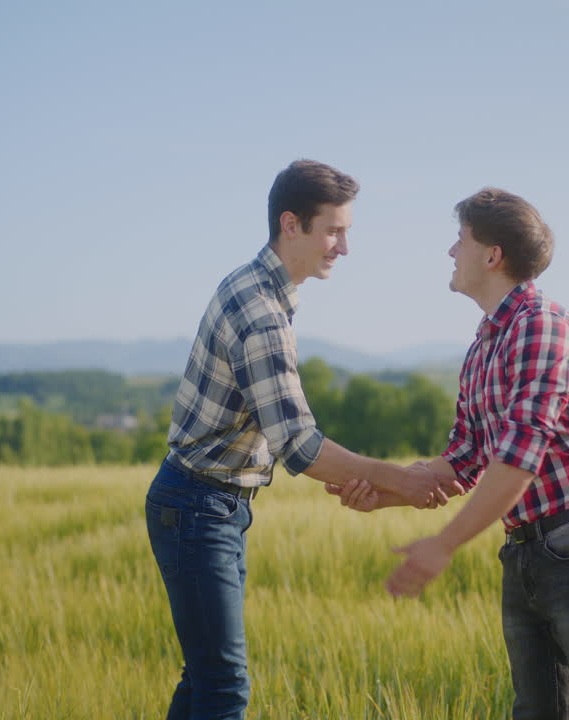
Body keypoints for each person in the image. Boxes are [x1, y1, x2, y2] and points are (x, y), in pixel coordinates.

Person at [144, 159, 461, 720]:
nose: (344, 247)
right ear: (291, 225)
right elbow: (300, 446)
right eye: (333, 231)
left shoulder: (255, 287)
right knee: (224, 688)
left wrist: (386, 483)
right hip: (198, 508)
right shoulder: (262, 312)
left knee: (205, 679)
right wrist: (405, 483)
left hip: (205, 504)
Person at [328, 188, 569, 720]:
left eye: (460, 240)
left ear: (492, 255)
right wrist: (381, 494)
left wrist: (443, 544)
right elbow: (463, 459)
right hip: (524, 549)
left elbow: (518, 461)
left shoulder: (538, 326)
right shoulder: (485, 343)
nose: (450, 253)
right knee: (537, 712)